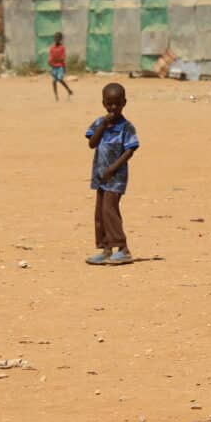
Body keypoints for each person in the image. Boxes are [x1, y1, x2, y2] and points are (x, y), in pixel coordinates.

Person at [85, 82, 139, 266]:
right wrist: (103, 125)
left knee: (110, 210)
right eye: (109, 104)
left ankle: (122, 248)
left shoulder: (127, 127)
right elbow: (92, 143)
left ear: (124, 103)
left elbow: (130, 151)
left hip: (116, 177)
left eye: (117, 104)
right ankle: (106, 248)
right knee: (100, 212)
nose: (113, 108)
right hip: (100, 176)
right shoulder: (99, 123)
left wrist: (113, 168)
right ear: (103, 103)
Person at [47, 33, 73, 101]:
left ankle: (68, 90)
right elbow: (50, 57)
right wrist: (50, 62)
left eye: (58, 38)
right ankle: (56, 96)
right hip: (54, 67)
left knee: (60, 79)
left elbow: (62, 58)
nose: (57, 39)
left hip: (60, 66)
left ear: (60, 39)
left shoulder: (62, 48)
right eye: (55, 38)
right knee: (54, 81)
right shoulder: (52, 48)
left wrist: (58, 60)